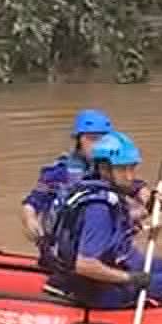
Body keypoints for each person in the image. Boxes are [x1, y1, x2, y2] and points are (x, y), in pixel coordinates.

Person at [42, 131, 162, 309]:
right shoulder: (99, 209)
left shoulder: (90, 188)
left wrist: (151, 207)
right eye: (123, 169)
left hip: (93, 274)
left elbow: (118, 220)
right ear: (104, 168)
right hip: (101, 290)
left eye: (132, 168)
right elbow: (85, 265)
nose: (130, 176)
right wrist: (129, 278)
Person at [22, 108, 115, 253]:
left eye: (103, 140)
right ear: (78, 141)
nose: (97, 145)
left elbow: (135, 191)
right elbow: (32, 202)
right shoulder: (59, 172)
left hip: (97, 242)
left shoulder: (114, 170)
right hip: (64, 247)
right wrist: (29, 219)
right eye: (91, 139)